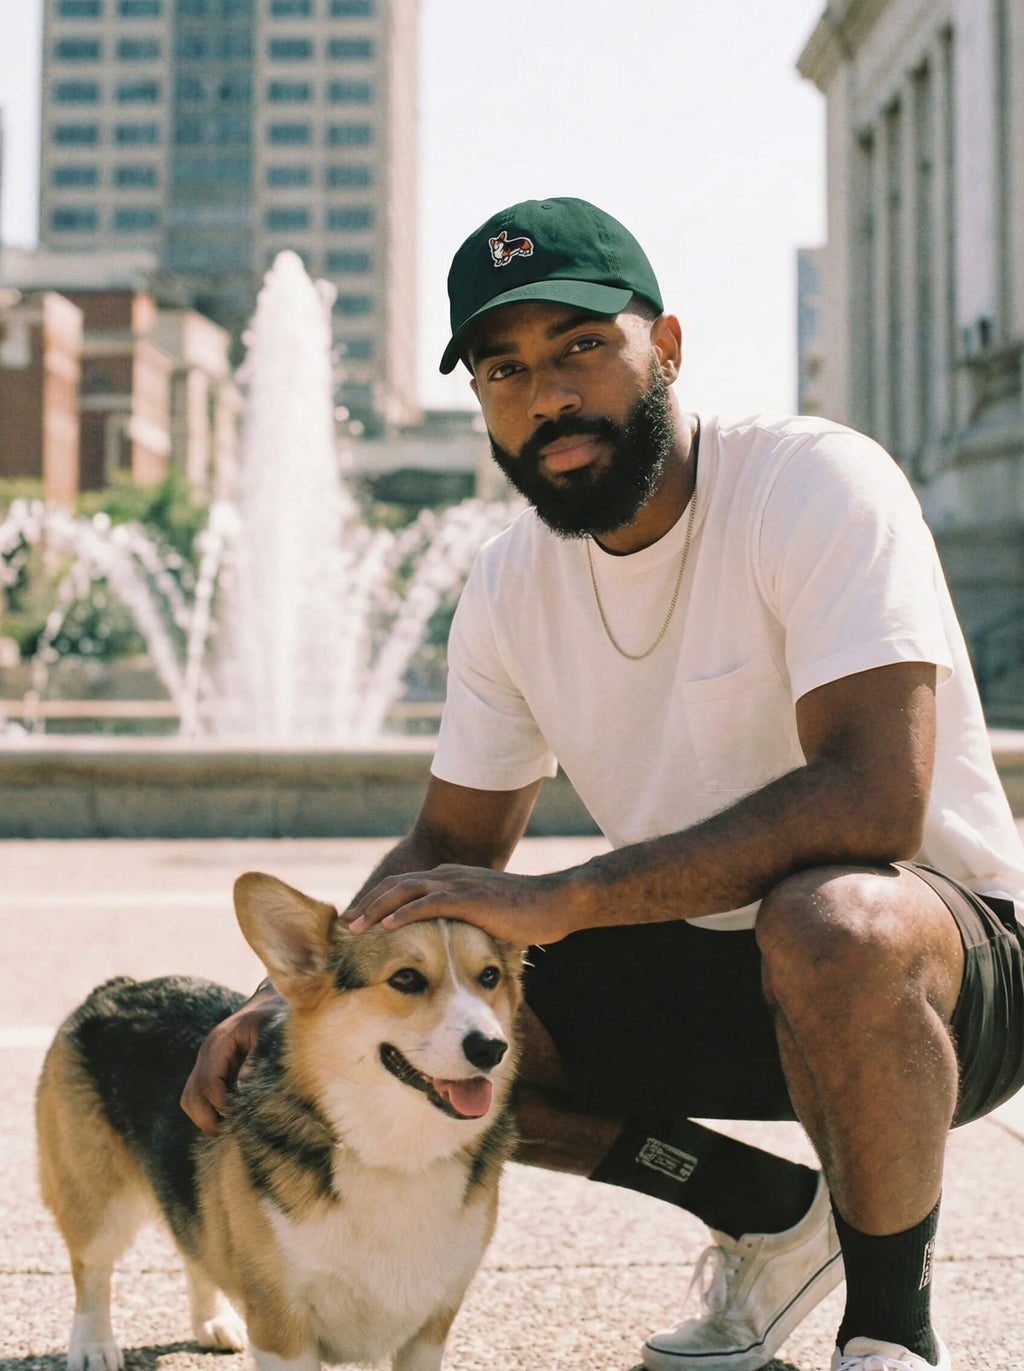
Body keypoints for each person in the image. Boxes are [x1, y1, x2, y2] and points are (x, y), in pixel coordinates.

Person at [183, 197, 1024, 1371]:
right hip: (707, 957)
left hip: (936, 970)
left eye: (581, 347)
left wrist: (567, 898)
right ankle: (769, 1215)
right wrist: (296, 1002)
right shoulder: (509, 582)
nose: (547, 394)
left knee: (830, 918)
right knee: (405, 1044)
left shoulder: (813, 482)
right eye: (504, 367)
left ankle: (890, 1331)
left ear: (664, 347)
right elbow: (443, 841)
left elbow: (873, 799)